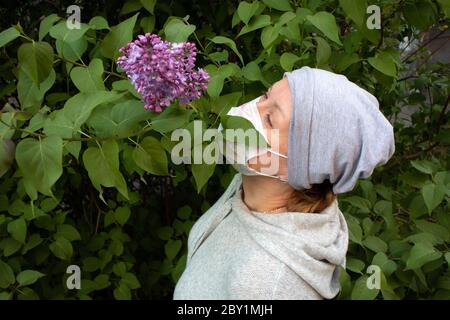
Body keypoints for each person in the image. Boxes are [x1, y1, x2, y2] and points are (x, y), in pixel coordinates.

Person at [173, 66, 395, 300]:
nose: (251, 110)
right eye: (265, 96)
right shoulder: (248, 186)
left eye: (269, 120)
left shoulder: (266, 286)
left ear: (305, 165)